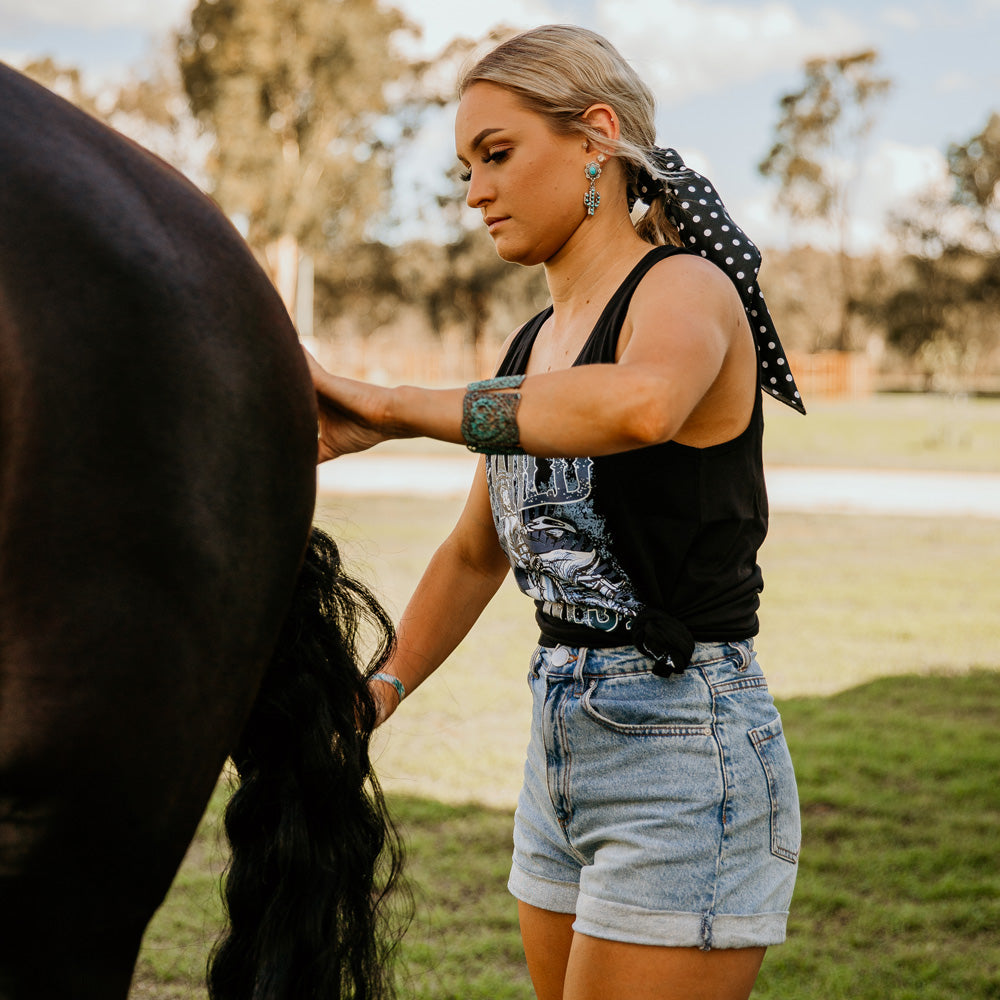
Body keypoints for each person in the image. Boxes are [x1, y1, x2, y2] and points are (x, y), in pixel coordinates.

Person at [307, 24, 803, 1000]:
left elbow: (639, 404)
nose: (472, 192)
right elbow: (473, 551)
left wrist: (396, 405)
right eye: (463, 168)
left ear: (595, 140)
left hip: (684, 744)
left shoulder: (686, 290)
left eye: (496, 155)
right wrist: (380, 691)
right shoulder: (528, 344)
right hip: (560, 750)